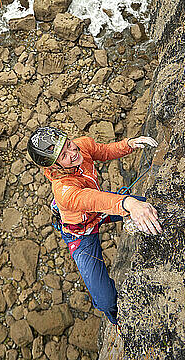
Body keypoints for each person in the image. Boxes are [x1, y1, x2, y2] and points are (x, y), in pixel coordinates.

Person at [27, 126, 162, 325]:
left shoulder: (82, 146)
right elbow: (95, 200)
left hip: (97, 212)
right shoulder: (65, 191)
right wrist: (129, 204)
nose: (73, 152)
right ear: (54, 167)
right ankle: (115, 319)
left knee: (150, 207)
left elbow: (105, 151)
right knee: (106, 301)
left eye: (69, 144)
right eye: (64, 155)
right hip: (80, 233)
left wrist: (129, 144)